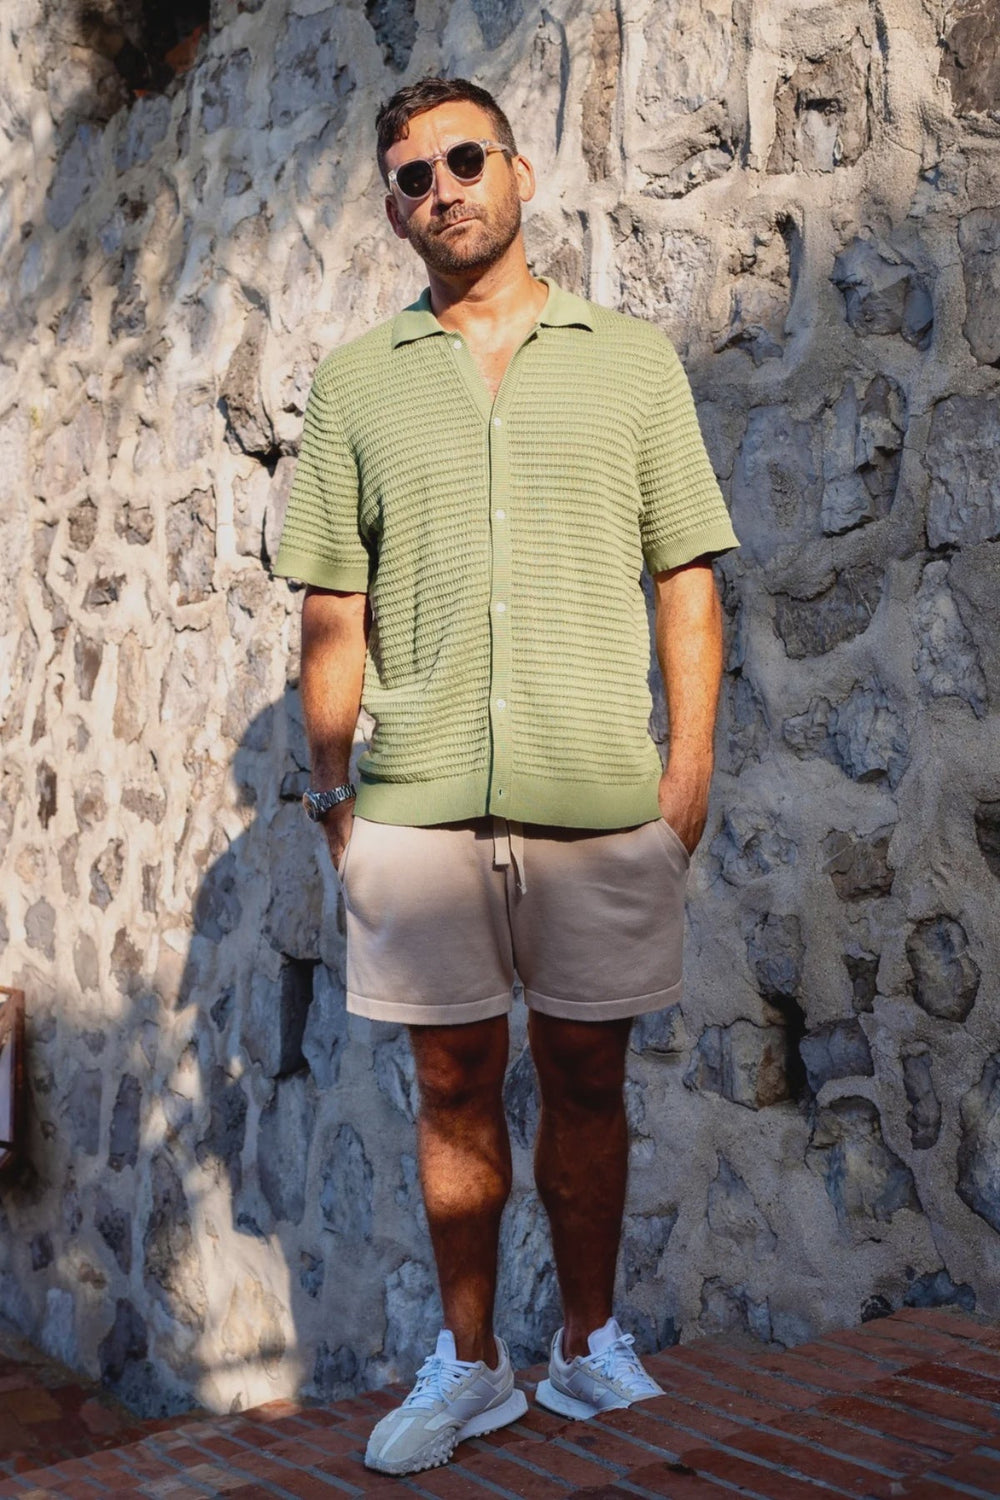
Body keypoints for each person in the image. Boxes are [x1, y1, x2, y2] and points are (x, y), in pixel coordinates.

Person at [273, 75, 739, 1478]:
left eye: (465, 160)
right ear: (395, 212)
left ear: (521, 173)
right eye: (412, 177)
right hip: (414, 804)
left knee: (589, 1074)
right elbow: (331, 606)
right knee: (452, 1083)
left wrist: (688, 777)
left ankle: (589, 1345)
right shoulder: (358, 382)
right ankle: (472, 1365)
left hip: (599, 792)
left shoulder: (632, 363)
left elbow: (686, 578)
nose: (444, 191)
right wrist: (336, 797)